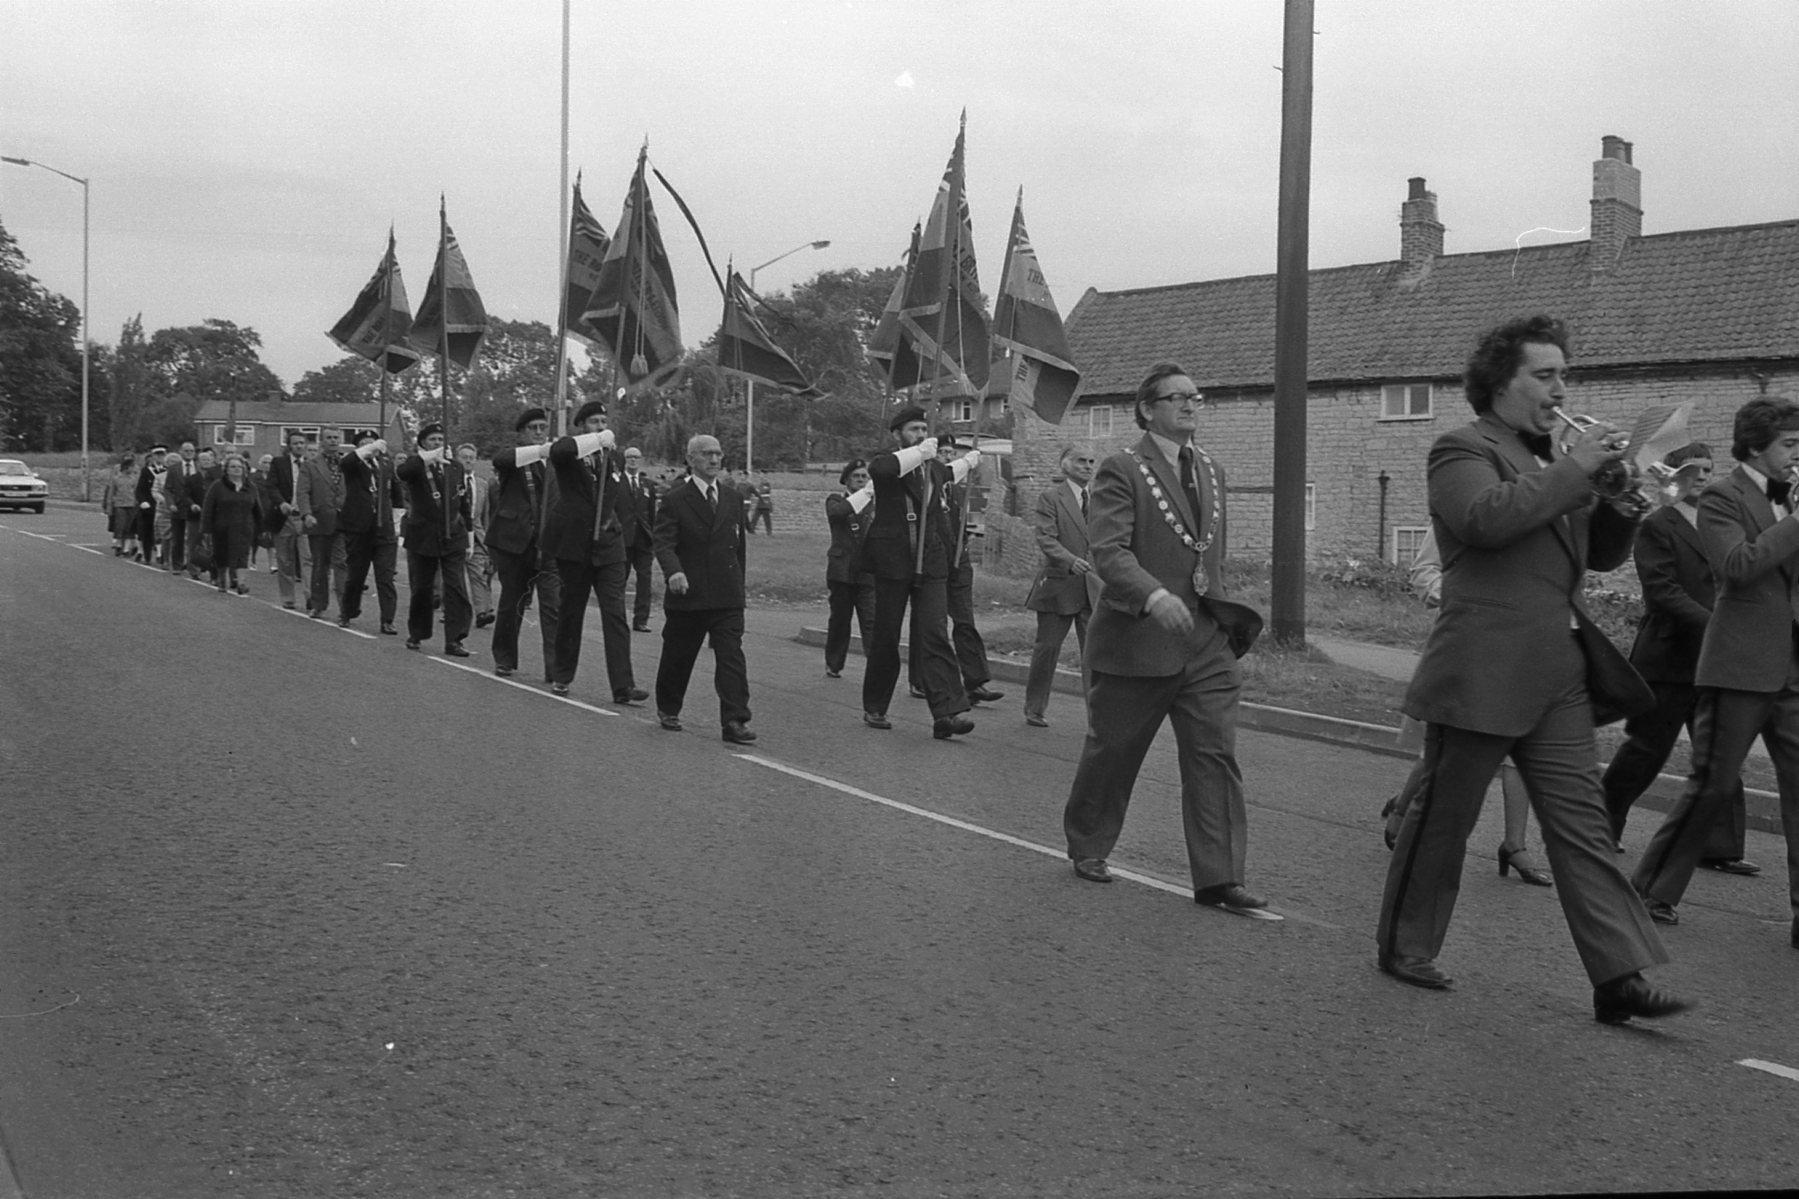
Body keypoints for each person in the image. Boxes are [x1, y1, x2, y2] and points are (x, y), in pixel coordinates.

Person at [1375, 314, 1687, 1025]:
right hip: (1482, 665)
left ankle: (1619, 977)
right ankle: (1405, 944)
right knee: (1442, 818)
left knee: (1581, 827)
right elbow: (1484, 520)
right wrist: (1574, 472)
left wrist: (1619, 503)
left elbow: (1599, 556)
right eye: (1544, 376)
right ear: (1499, 382)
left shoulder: (1557, 457)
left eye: (1562, 375)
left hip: (1558, 669)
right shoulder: (1461, 448)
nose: (1560, 389)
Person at [1060, 363, 1269, 917]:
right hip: (1139, 638)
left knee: (1214, 755)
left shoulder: (1213, 469)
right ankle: (1088, 844)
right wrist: (1153, 597)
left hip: (1206, 641)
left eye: (1196, 397)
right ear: (1148, 408)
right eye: (1177, 398)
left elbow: (1208, 557)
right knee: (1115, 751)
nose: (1190, 405)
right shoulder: (1120, 469)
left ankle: (1220, 877)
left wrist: (1220, 617)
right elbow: (1109, 551)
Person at [1631, 397, 1799, 951]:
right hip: (1739, 664)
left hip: (1793, 666)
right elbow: (1737, 567)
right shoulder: (1724, 496)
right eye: (1791, 445)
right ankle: (1652, 888)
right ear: (1755, 447)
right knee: (1712, 784)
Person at [1601, 443, 1754, 870]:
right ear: (1673, 473)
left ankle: (1718, 847)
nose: (1703, 476)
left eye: (1708, 469)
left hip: (1718, 659)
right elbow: (1663, 591)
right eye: (1694, 468)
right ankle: (1602, 825)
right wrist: (1716, 625)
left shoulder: (1726, 521)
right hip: (1668, 657)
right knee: (1646, 748)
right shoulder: (1658, 526)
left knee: (1721, 751)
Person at [1379, 529, 1553, 888]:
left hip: (1528, 645)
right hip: (1471, 642)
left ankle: (1514, 844)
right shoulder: (1466, 501)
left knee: (1520, 743)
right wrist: (1465, 600)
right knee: (1445, 747)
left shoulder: (1542, 503)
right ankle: (1401, 811)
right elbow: (1424, 571)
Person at [861, 406, 977, 740]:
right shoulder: (888, 461)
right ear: (898, 433)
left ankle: (947, 712)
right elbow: (882, 471)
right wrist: (917, 452)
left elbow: (949, 473)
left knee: (934, 633)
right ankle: (876, 705)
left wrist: (970, 462)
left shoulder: (932, 468)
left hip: (931, 561)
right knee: (886, 634)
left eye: (924, 429)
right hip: (894, 559)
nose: (921, 435)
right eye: (913, 429)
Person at [651, 433, 755, 743]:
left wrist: (739, 586)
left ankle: (735, 720)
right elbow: (664, 542)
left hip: (726, 595)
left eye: (718, 454)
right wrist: (674, 572)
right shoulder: (674, 499)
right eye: (707, 454)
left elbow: (739, 549)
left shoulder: (733, 498)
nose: (714, 460)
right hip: (689, 593)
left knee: (731, 657)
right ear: (691, 459)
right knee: (678, 655)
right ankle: (669, 707)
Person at [545, 399, 647, 703]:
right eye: (594, 423)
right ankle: (562, 674)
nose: (601, 427)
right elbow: (558, 451)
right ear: (582, 427)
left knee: (615, 614)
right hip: (575, 546)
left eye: (604, 422)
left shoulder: (614, 458)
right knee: (571, 611)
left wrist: (604, 445)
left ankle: (623, 685)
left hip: (609, 544)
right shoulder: (570, 454)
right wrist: (591, 442)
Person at [908, 437, 1004, 706]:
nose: (947, 457)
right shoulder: (923, 486)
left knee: (965, 621)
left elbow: (974, 525)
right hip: (931, 562)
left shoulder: (963, 489)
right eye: (942, 452)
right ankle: (919, 679)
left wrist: (964, 546)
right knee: (929, 624)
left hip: (959, 560)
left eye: (951, 453)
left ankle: (975, 681)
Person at [1024, 445, 1101, 728]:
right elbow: (1046, 538)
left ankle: (1097, 716)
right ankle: (1035, 707)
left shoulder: (1100, 500)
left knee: (1094, 653)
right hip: (1059, 584)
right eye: (1081, 461)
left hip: (1092, 588)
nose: (1088, 466)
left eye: (1092, 461)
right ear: (1064, 465)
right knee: (1047, 649)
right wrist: (1069, 560)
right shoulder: (1050, 498)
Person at [487, 407, 561, 682]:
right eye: (533, 428)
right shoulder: (515, 459)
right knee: (512, 602)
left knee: (553, 607)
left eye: (543, 428)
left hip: (549, 545)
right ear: (522, 433)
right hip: (516, 543)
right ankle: (504, 659)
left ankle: (555, 669)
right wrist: (539, 452)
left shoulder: (555, 463)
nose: (539, 433)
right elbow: (500, 459)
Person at [395, 422, 475, 657]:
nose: (438, 444)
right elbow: (402, 473)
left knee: (456, 588)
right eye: (433, 440)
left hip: (453, 536)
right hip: (423, 536)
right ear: (422, 444)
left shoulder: (454, 467)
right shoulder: (416, 466)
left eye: (441, 440)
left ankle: (455, 639)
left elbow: (463, 500)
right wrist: (426, 458)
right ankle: (417, 632)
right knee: (423, 588)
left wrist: (469, 533)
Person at [338, 432, 403, 634]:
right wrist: (367, 450)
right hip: (359, 529)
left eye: (372, 442)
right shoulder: (354, 465)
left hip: (384, 530)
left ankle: (387, 620)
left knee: (385, 577)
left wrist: (396, 523)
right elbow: (347, 462)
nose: (370, 446)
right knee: (356, 576)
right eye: (365, 444)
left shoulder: (385, 464)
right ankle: (348, 612)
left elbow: (397, 495)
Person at [823, 459, 877, 679]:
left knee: (871, 620)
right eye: (857, 476)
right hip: (842, 571)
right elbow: (837, 514)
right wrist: (864, 495)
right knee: (840, 620)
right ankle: (834, 663)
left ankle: (875, 666)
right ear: (846, 479)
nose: (862, 480)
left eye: (865, 476)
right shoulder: (836, 500)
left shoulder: (874, 504)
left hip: (867, 571)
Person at [296, 427, 348, 619]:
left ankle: (345, 607)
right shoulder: (310, 465)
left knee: (341, 563)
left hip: (343, 521)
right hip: (319, 520)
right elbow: (302, 492)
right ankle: (318, 604)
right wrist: (306, 514)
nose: (333, 441)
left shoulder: (347, 464)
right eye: (329, 438)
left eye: (336, 437)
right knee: (320, 564)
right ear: (321, 441)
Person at [200, 453, 263, 594]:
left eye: (239, 467)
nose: (236, 469)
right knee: (222, 555)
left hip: (244, 527)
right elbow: (208, 508)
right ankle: (222, 580)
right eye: (232, 467)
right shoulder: (217, 486)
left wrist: (262, 526)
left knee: (242, 555)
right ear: (226, 469)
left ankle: (241, 583)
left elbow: (257, 508)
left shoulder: (251, 487)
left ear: (244, 469)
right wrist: (206, 529)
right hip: (222, 527)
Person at [456, 444, 496, 630]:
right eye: (464, 457)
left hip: (478, 536)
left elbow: (485, 513)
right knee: (454, 576)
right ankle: (452, 611)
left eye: (472, 457)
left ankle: (482, 612)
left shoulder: (482, 484)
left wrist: (486, 538)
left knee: (478, 574)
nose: (468, 460)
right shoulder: (451, 481)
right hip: (456, 533)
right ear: (457, 459)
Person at [269, 432, 310, 609]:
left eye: (302, 443)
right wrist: (281, 503)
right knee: (285, 560)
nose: (299, 446)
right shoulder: (279, 463)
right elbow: (271, 487)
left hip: (305, 517)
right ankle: (288, 597)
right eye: (295, 443)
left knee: (308, 558)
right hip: (285, 516)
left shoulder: (311, 464)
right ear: (289, 446)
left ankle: (311, 596)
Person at [622, 446, 659, 632]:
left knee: (645, 579)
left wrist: (652, 536)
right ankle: (618, 618)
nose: (633, 461)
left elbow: (652, 514)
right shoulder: (617, 482)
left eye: (636, 457)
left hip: (643, 539)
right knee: (620, 579)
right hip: (623, 540)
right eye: (629, 457)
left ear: (641, 460)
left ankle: (641, 619)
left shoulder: (648, 485)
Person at [176, 447, 219, 579]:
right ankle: (193, 570)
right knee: (193, 542)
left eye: (208, 459)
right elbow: (184, 495)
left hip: (213, 516)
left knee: (213, 544)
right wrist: (192, 504)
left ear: (212, 462)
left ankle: (214, 572)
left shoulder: (218, 479)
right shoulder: (191, 479)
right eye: (203, 460)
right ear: (198, 462)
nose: (205, 462)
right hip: (195, 515)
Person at [163, 440, 197, 573]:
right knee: (178, 538)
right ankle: (177, 565)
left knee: (194, 539)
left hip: (194, 507)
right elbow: (168, 489)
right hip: (178, 508)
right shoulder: (174, 469)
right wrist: (170, 503)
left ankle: (193, 566)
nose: (189, 453)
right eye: (186, 451)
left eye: (191, 451)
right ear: (181, 452)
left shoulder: (199, 468)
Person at [133, 445, 167, 565]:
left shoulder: (168, 470)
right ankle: (146, 555)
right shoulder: (146, 471)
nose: (160, 457)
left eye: (162, 455)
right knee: (146, 532)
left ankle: (161, 555)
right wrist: (142, 501)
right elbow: (140, 490)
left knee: (162, 532)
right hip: (149, 507)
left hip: (163, 507)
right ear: (152, 457)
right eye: (157, 455)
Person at [102, 454, 140, 558]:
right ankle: (118, 544)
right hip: (119, 505)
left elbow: (137, 492)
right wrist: (109, 507)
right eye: (131, 467)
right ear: (126, 468)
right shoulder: (116, 479)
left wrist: (138, 504)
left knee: (130, 527)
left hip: (132, 505)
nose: (133, 470)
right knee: (120, 525)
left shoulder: (135, 479)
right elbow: (111, 494)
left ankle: (126, 548)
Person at [250, 453, 277, 570]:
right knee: (254, 537)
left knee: (271, 539)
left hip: (271, 511)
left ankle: (272, 564)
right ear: (260, 464)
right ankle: (252, 561)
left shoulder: (276, 478)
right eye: (265, 462)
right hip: (256, 511)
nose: (267, 465)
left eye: (269, 463)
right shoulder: (253, 477)